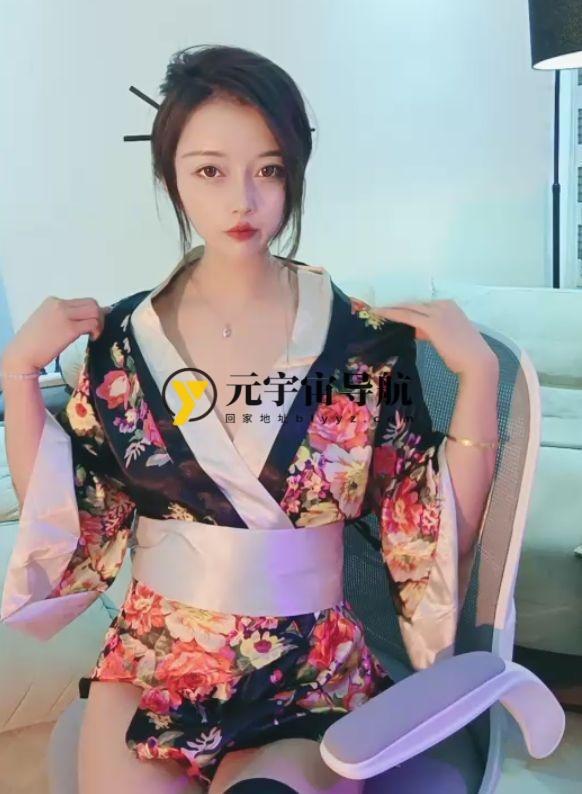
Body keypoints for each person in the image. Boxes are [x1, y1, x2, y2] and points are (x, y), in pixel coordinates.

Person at [0, 44, 498, 794]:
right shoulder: (118, 344)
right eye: (210, 171)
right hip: (153, 666)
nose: (244, 199)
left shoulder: (363, 344)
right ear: (170, 176)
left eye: (269, 170)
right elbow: (67, 509)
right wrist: (17, 373)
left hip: (310, 673)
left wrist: (480, 378)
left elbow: (426, 521)